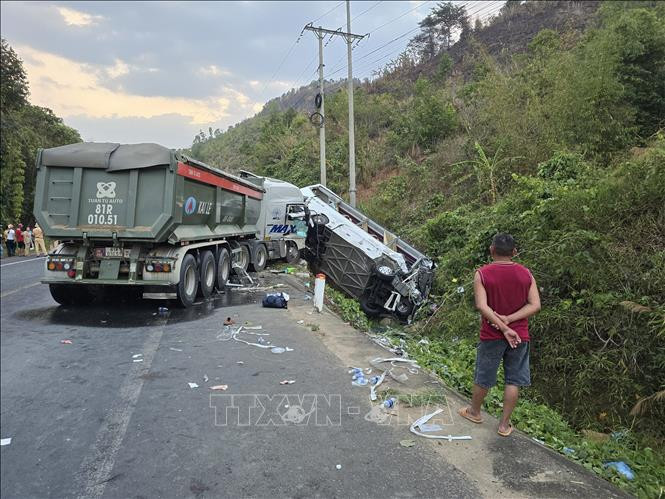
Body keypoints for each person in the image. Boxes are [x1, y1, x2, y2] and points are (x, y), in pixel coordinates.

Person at [458, 233, 541, 437]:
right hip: (519, 335)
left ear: (491, 250)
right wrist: (510, 320)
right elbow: (535, 305)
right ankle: (504, 425)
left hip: (492, 334)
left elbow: (481, 306)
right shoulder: (526, 274)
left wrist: (502, 326)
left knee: (484, 374)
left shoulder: (482, 274)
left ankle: (475, 412)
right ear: (514, 252)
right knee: (513, 380)